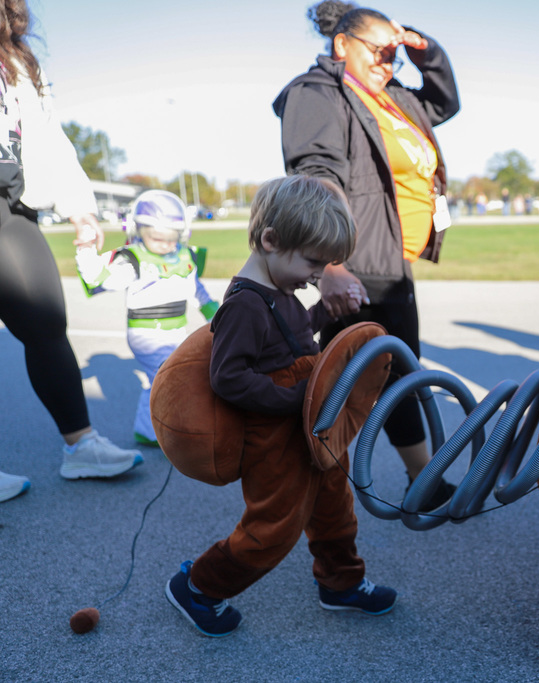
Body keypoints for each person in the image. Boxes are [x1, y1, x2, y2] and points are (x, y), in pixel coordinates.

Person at [165, 175, 396, 637]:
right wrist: (296, 400)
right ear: (270, 240)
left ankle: (341, 581)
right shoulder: (245, 305)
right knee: (274, 527)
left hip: (312, 423)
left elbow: (289, 343)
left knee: (334, 506)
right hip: (276, 434)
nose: (317, 274)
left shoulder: (282, 290)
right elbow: (229, 378)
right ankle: (198, 586)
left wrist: (323, 316)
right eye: (313, 261)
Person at [274, 1, 459, 508]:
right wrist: (330, 263)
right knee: (334, 385)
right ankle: (293, 493)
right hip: (357, 264)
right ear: (342, 45)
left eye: (395, 56)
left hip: (391, 261)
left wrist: (421, 45)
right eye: (379, 52)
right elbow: (316, 176)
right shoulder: (316, 93)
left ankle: (421, 481)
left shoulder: (394, 95)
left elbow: (445, 101)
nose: (387, 65)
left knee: (394, 372)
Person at [0, 0, 142, 504]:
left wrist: (81, 209)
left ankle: (81, 446)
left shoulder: (17, 60)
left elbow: (52, 141)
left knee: (46, 324)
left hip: (10, 207)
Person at [75, 190, 219, 446]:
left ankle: (147, 430)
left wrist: (216, 315)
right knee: (170, 378)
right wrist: (85, 250)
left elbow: (198, 292)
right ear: (138, 230)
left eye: (171, 238)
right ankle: (175, 430)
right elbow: (99, 278)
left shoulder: (185, 257)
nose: (165, 244)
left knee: (156, 380)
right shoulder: (134, 260)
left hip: (175, 332)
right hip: (146, 334)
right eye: (156, 238)